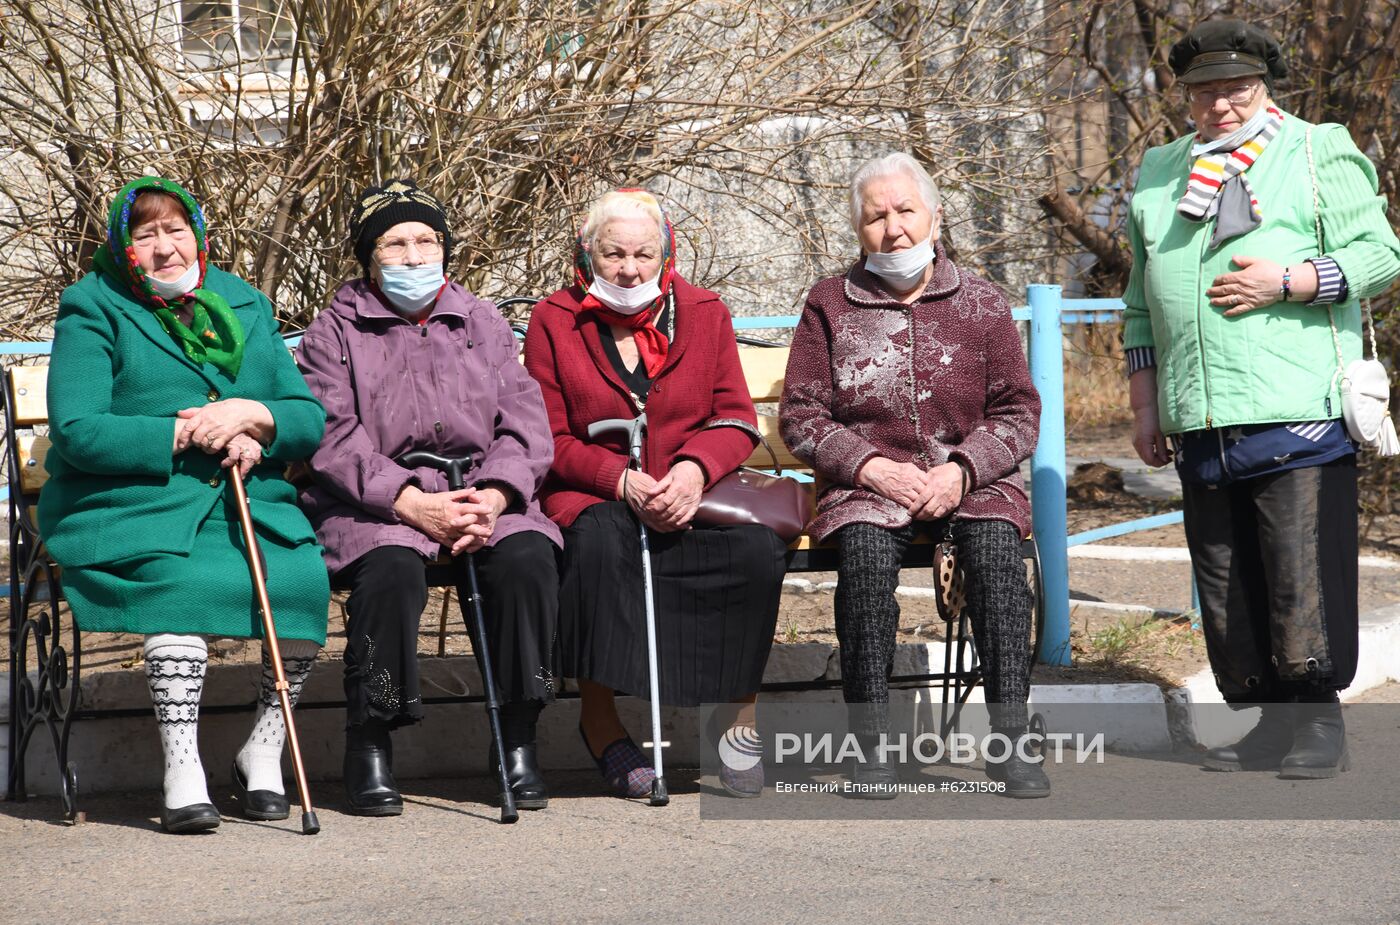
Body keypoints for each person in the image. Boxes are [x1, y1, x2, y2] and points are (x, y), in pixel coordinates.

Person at [1122, 20, 1400, 778]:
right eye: (1204, 90)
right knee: (1227, 575)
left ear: (1262, 86)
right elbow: (1140, 303)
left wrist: (1290, 280)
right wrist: (1147, 407)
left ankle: (1318, 723)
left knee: (1295, 570)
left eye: (1234, 88)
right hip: (1198, 412)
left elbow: (1381, 254)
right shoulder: (1159, 170)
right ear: (1184, 95)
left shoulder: (1315, 150)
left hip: (1294, 404)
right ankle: (1269, 725)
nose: (1220, 104)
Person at [37, 176, 330, 833]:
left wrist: (253, 419)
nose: (166, 247)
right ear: (124, 246)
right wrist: (180, 431)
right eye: (146, 236)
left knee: (303, 581)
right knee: (181, 582)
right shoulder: (93, 304)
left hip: (241, 494)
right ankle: (183, 768)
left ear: (197, 232)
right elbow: (78, 429)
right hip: (133, 498)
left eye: (176, 230)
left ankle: (263, 749)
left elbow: (307, 418)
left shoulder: (241, 300)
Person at [780, 153, 1047, 798]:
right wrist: (871, 468)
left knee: (993, 545)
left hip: (973, 477)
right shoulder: (829, 303)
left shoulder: (980, 301)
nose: (893, 228)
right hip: (867, 485)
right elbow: (801, 415)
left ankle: (1011, 738)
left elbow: (1018, 409)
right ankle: (869, 745)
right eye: (875, 217)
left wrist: (962, 469)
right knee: (867, 553)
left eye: (906, 211)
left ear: (935, 216)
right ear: (857, 228)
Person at [297, 179, 561, 815]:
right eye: (396, 242)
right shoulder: (333, 332)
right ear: (368, 255)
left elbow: (524, 423)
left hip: (479, 491)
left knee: (525, 558)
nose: (415, 256)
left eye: (427, 240)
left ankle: (517, 741)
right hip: (376, 503)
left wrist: (496, 497)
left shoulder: (482, 318)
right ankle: (370, 743)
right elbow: (330, 438)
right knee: (389, 570)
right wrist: (411, 503)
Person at [524, 189, 787, 799]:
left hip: (692, 488)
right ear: (587, 254)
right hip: (598, 493)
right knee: (595, 545)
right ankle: (602, 724)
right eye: (613, 254)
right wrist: (616, 479)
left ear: (663, 253)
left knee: (754, 553)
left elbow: (735, 417)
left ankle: (737, 724)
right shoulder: (555, 319)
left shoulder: (703, 310)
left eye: (644, 254)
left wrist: (693, 471)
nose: (630, 268)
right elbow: (547, 435)